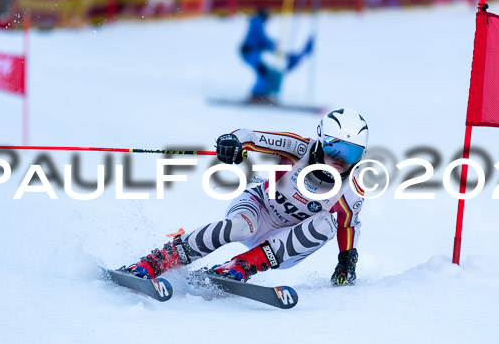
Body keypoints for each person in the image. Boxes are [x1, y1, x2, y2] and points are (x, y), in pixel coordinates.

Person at [123, 108, 369, 286]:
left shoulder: (351, 190)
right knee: (239, 227)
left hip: (284, 242)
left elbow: (348, 225)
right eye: (335, 148)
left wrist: (346, 261)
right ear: (320, 139)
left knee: (326, 224)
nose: (341, 160)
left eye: (352, 153)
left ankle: (242, 266)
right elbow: (249, 136)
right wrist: (232, 142)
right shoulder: (298, 148)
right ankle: (157, 261)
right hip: (259, 208)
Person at [240, 8, 313, 102]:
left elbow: (261, 40)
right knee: (263, 71)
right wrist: (272, 45)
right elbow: (261, 39)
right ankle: (257, 95)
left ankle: (262, 93)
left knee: (265, 71)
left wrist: (273, 45)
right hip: (250, 52)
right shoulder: (257, 22)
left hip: (253, 52)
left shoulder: (257, 22)